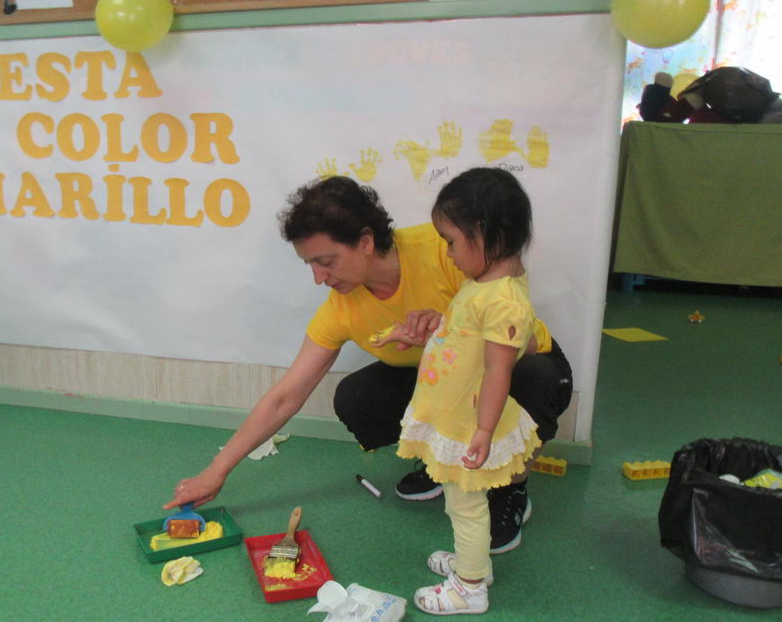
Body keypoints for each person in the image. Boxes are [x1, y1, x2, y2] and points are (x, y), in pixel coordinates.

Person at [165, 176, 571, 553]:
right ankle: (439, 461)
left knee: (531, 379)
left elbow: (511, 323)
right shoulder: (341, 309)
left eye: (326, 261)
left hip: (522, 358)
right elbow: (285, 397)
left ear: (364, 240)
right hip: (444, 379)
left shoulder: (448, 248)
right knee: (358, 398)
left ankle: (510, 488)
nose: (319, 278)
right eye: (310, 265)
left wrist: (446, 326)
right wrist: (216, 471)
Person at [394, 167, 540, 615]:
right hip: (457, 415)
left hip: (469, 422)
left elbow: (500, 369)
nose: (448, 252)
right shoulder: (485, 285)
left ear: (485, 234)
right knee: (464, 504)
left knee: (466, 506)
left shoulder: (503, 299)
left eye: (452, 241)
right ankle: (472, 564)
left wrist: (482, 431)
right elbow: (468, 339)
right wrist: (435, 336)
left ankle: (470, 587)